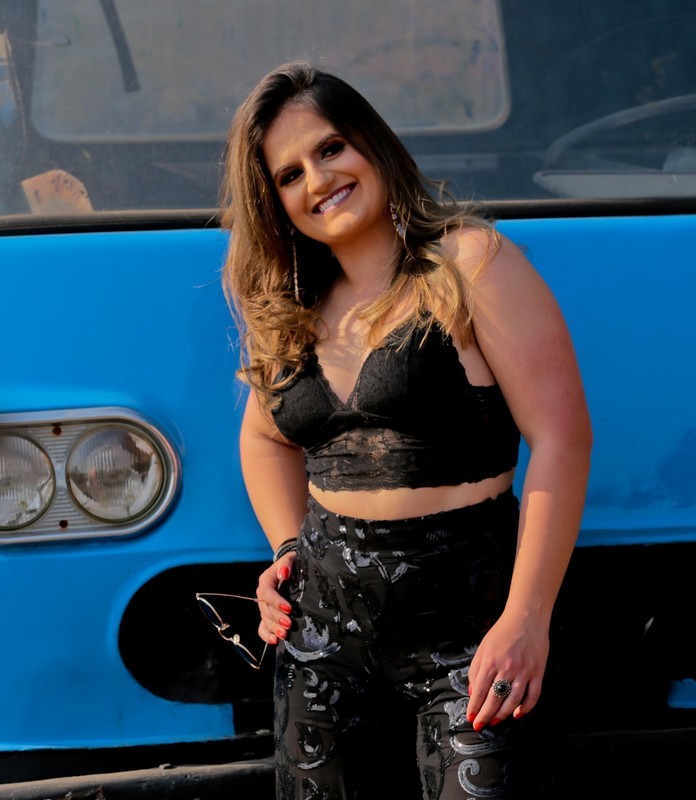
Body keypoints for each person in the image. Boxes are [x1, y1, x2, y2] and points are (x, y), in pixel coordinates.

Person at [220, 61, 591, 799]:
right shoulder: (292, 306)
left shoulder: (469, 262)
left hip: (469, 640)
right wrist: (287, 548)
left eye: (330, 148)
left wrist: (527, 618)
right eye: (290, 174)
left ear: (371, 142)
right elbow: (263, 439)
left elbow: (563, 438)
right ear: (276, 202)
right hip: (320, 644)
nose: (318, 179)